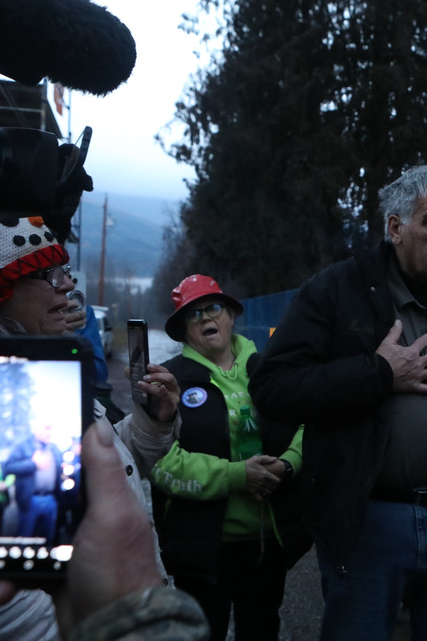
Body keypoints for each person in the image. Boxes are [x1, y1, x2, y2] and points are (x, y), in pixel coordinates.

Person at [249, 165, 427, 640]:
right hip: (367, 523)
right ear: (396, 228)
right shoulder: (338, 290)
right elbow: (273, 388)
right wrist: (377, 373)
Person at [0, 212, 182, 640]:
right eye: (47, 274)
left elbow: (104, 468)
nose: (68, 286)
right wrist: (97, 620)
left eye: (66, 272)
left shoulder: (49, 373)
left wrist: (154, 420)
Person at [0, 419, 208, 641]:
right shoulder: (13, 443)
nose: (49, 433)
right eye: (45, 429)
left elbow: (119, 456)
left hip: (50, 513)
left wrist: (151, 421)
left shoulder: (75, 427)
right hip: (25, 511)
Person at [149, 273, 306, 641]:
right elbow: (159, 461)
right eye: (193, 314)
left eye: (213, 308)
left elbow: (308, 423)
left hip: (267, 544)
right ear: (183, 330)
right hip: (201, 549)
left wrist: (288, 464)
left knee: (261, 629)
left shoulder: (269, 369)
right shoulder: (170, 379)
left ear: (231, 315)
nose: (205, 318)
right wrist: (238, 476)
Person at [4, 419, 63, 546]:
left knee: (49, 540)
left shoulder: (54, 447)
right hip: (30, 500)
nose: (50, 432)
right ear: (37, 429)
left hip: (51, 499)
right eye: (47, 428)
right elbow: (8, 467)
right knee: (26, 539)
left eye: (52, 428)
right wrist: (33, 464)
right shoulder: (22, 445)